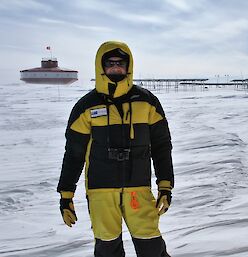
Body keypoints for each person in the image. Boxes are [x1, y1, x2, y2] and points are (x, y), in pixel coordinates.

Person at [57, 41, 174, 257]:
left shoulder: (148, 102)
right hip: (101, 190)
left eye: (120, 63)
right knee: (107, 247)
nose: (115, 67)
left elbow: (161, 147)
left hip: (138, 188)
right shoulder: (85, 107)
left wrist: (165, 185)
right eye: (110, 63)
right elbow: (74, 154)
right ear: (101, 67)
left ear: (128, 66)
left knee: (151, 245)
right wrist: (66, 194)